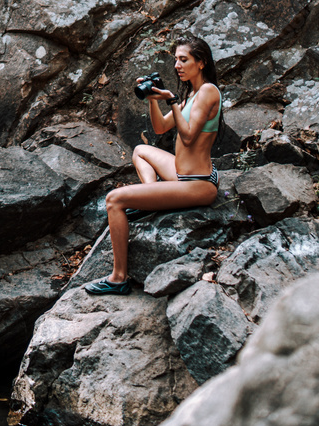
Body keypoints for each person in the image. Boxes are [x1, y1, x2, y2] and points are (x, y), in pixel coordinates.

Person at [84, 34, 222, 295]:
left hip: (197, 184)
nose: (177, 66)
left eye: (184, 60)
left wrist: (171, 101)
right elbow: (160, 128)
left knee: (114, 200)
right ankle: (151, 200)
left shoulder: (208, 91)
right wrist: (153, 101)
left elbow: (190, 135)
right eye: (176, 60)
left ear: (201, 62)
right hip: (183, 175)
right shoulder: (191, 95)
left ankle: (119, 278)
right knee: (141, 151)